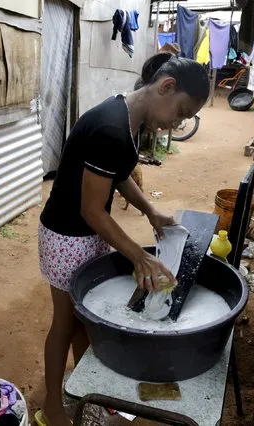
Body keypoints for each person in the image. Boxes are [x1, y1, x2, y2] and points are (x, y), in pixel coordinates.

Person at [36, 53, 210, 426]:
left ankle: (87, 391)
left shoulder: (128, 118)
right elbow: (92, 210)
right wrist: (139, 257)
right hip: (67, 237)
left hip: (87, 234)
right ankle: (53, 405)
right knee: (65, 323)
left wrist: (150, 211)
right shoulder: (112, 126)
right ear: (166, 86)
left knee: (84, 322)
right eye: (180, 113)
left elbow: (118, 175)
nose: (176, 124)